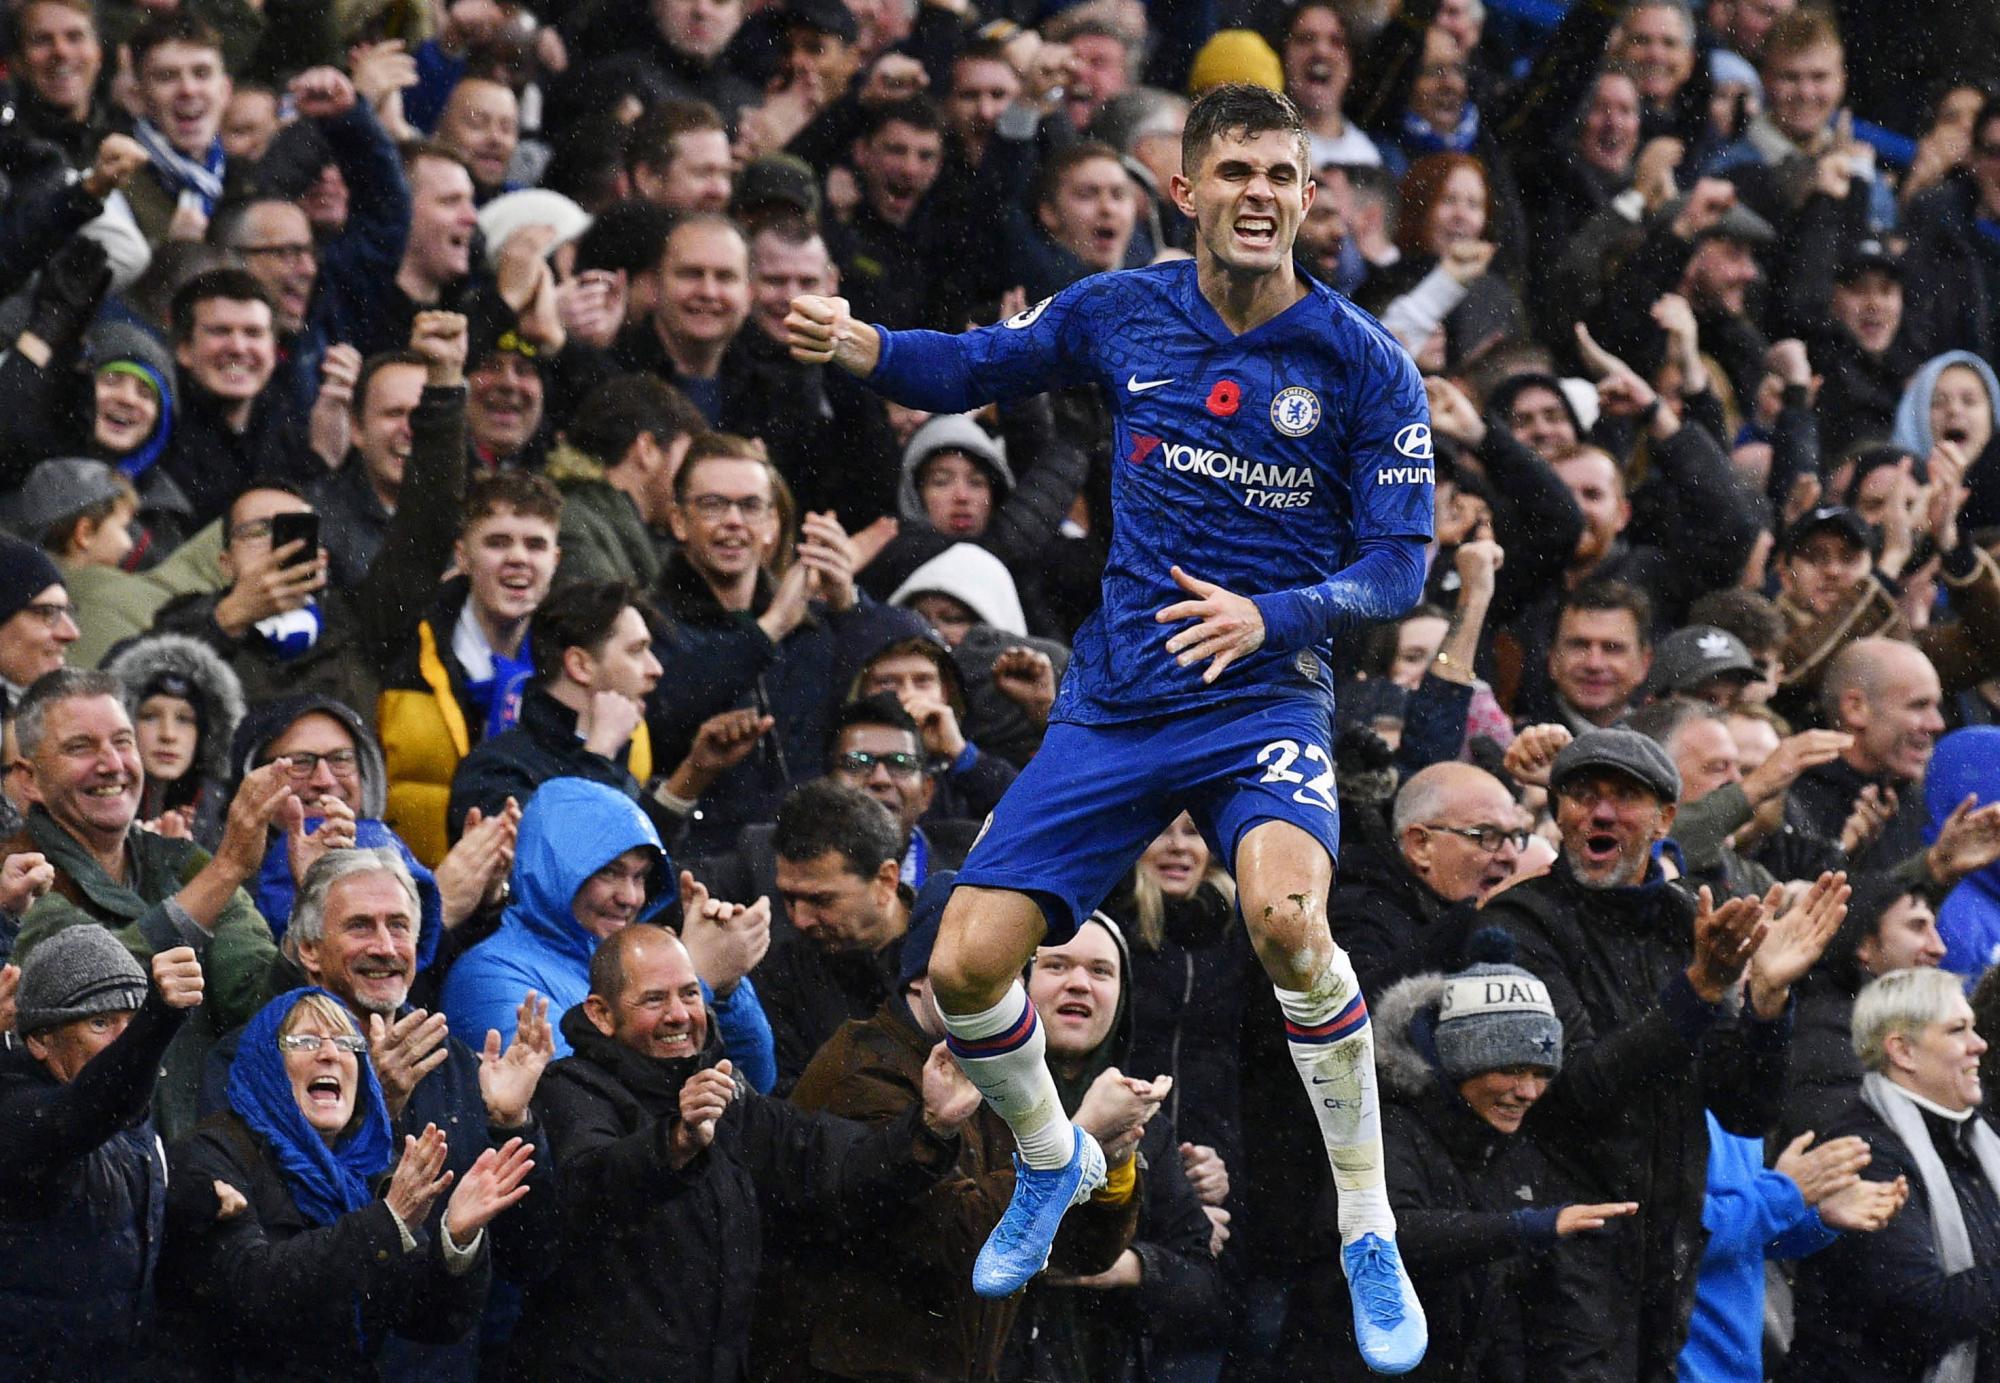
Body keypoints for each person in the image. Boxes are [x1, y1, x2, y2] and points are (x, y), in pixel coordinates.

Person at [788, 83, 1433, 1368]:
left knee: (1287, 919)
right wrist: (865, 345)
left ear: (1311, 198)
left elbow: (1399, 569)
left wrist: (1276, 613)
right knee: (966, 966)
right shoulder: (1117, 311)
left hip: (1260, 699)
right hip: (1120, 702)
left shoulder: (1365, 363)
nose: (1259, 192)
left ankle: (1367, 1222)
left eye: (1282, 174)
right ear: (1184, 191)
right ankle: (1047, 1152)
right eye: (1234, 169)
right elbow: (977, 365)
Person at [1481, 727, 1848, 1379]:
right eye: (1582, 794)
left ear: (1665, 818)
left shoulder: (1688, 925)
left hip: (1665, 1264)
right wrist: (1700, 989)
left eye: (1624, 796)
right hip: (1555, 1260)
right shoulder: (1520, 924)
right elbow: (1580, 1089)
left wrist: (1766, 1000)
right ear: (1559, 811)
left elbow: (1744, 1109)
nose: (1600, 812)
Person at [509, 921, 979, 1380]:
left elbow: (827, 1163)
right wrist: (676, 1142)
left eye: (690, 994)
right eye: (655, 999)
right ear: (600, 1013)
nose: (678, 1014)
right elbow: (586, 1193)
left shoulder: (724, 1091)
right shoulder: (571, 1090)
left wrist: (930, 1126)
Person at [1280, 932, 1632, 1383]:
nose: (1527, 1092)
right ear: (1460, 1061)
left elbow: (1512, 1322)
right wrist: (1525, 1228)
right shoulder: (1385, 1131)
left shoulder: (1512, 1152)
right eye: (1509, 1069)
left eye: (1541, 1073)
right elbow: (1390, 1236)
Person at [157, 988, 534, 1379]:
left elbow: (431, 1321)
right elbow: (256, 1291)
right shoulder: (211, 1154)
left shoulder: (362, 1168)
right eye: (304, 1041)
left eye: (346, 1042)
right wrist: (387, 1221)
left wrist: (457, 1237)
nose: (330, 1054)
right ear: (266, 1064)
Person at [3, 669, 287, 1137]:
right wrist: (226, 869)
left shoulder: (182, 863)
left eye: (122, 742)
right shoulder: (17, 875)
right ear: (30, 779)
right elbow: (92, 982)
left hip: (207, 1169)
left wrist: (315, 924)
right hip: (98, 1171)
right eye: (81, 747)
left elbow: (260, 1004)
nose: (112, 764)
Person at [1003, 913, 1230, 1383]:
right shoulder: (977, 1102)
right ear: (1019, 984)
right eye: (1057, 966)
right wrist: (1084, 1134)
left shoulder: (1144, 1122)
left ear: (1122, 996)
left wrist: (1127, 1267)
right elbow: (979, 1241)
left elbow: (1205, 1290)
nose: (1080, 984)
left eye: (1101, 971)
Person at [440, 776, 774, 1084]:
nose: (629, 898)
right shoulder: (488, 976)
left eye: (640, 876)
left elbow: (754, 1085)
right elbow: (574, 1099)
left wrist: (728, 990)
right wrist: (696, 980)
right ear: (553, 871)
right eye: (608, 873)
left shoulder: (638, 955)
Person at [0, 930, 203, 1379]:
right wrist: (159, 1018)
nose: (124, 1041)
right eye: (100, 1023)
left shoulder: (133, 1122)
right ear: (39, 1041)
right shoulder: (15, 1113)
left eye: (133, 1021)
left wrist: (197, 1199)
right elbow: (88, 1110)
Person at [1784, 967, 1998, 1382]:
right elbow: (1919, 1310)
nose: (1980, 1044)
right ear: (1902, 1052)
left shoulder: (1979, 1139)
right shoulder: (1862, 1152)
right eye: (1957, 1030)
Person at [1333, 761, 1526, 1000]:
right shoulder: (1356, 911)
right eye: (1486, 835)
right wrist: (1468, 919)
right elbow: (1357, 1008)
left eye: (1515, 837)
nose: (1510, 856)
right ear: (1420, 845)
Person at [103, 631, 246, 850]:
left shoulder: (226, 818)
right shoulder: (95, 810)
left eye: (184, 719)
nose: (168, 734)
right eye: (149, 716)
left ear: (207, 733)